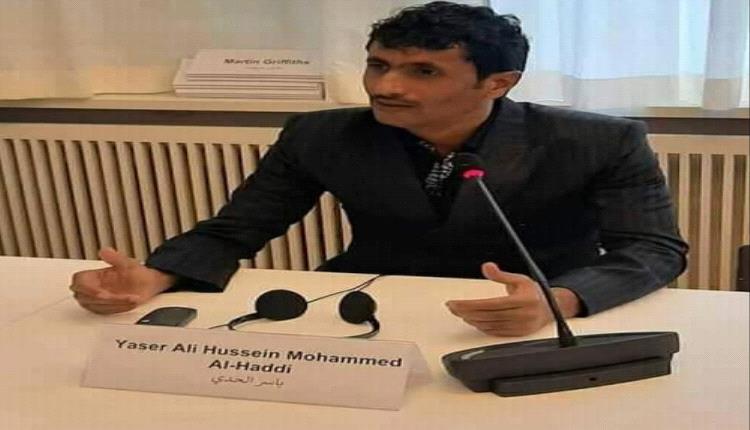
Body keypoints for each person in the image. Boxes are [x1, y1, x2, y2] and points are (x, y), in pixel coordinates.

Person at [70, 1, 687, 337]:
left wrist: (564, 300)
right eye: (378, 64)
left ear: (499, 83)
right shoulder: (320, 134)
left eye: (423, 72)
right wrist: (157, 275)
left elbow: (653, 250)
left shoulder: (598, 140)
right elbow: (237, 229)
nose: (385, 86)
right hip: (368, 308)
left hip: (522, 316)